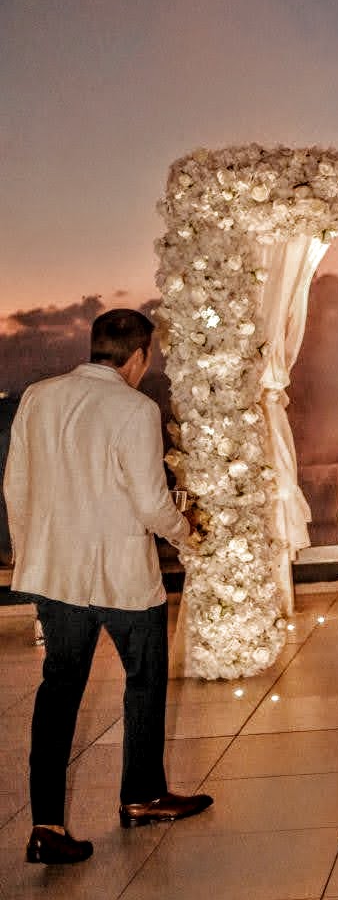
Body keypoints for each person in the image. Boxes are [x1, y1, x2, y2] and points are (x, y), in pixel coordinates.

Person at [4, 309, 213, 865]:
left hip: (57, 575)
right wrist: (186, 532)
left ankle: (46, 825)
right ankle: (142, 796)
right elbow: (149, 503)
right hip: (122, 575)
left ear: (95, 345)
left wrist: (31, 560)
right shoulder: (136, 407)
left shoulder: (37, 397)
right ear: (140, 354)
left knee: (58, 692)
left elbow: (16, 486)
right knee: (143, 681)